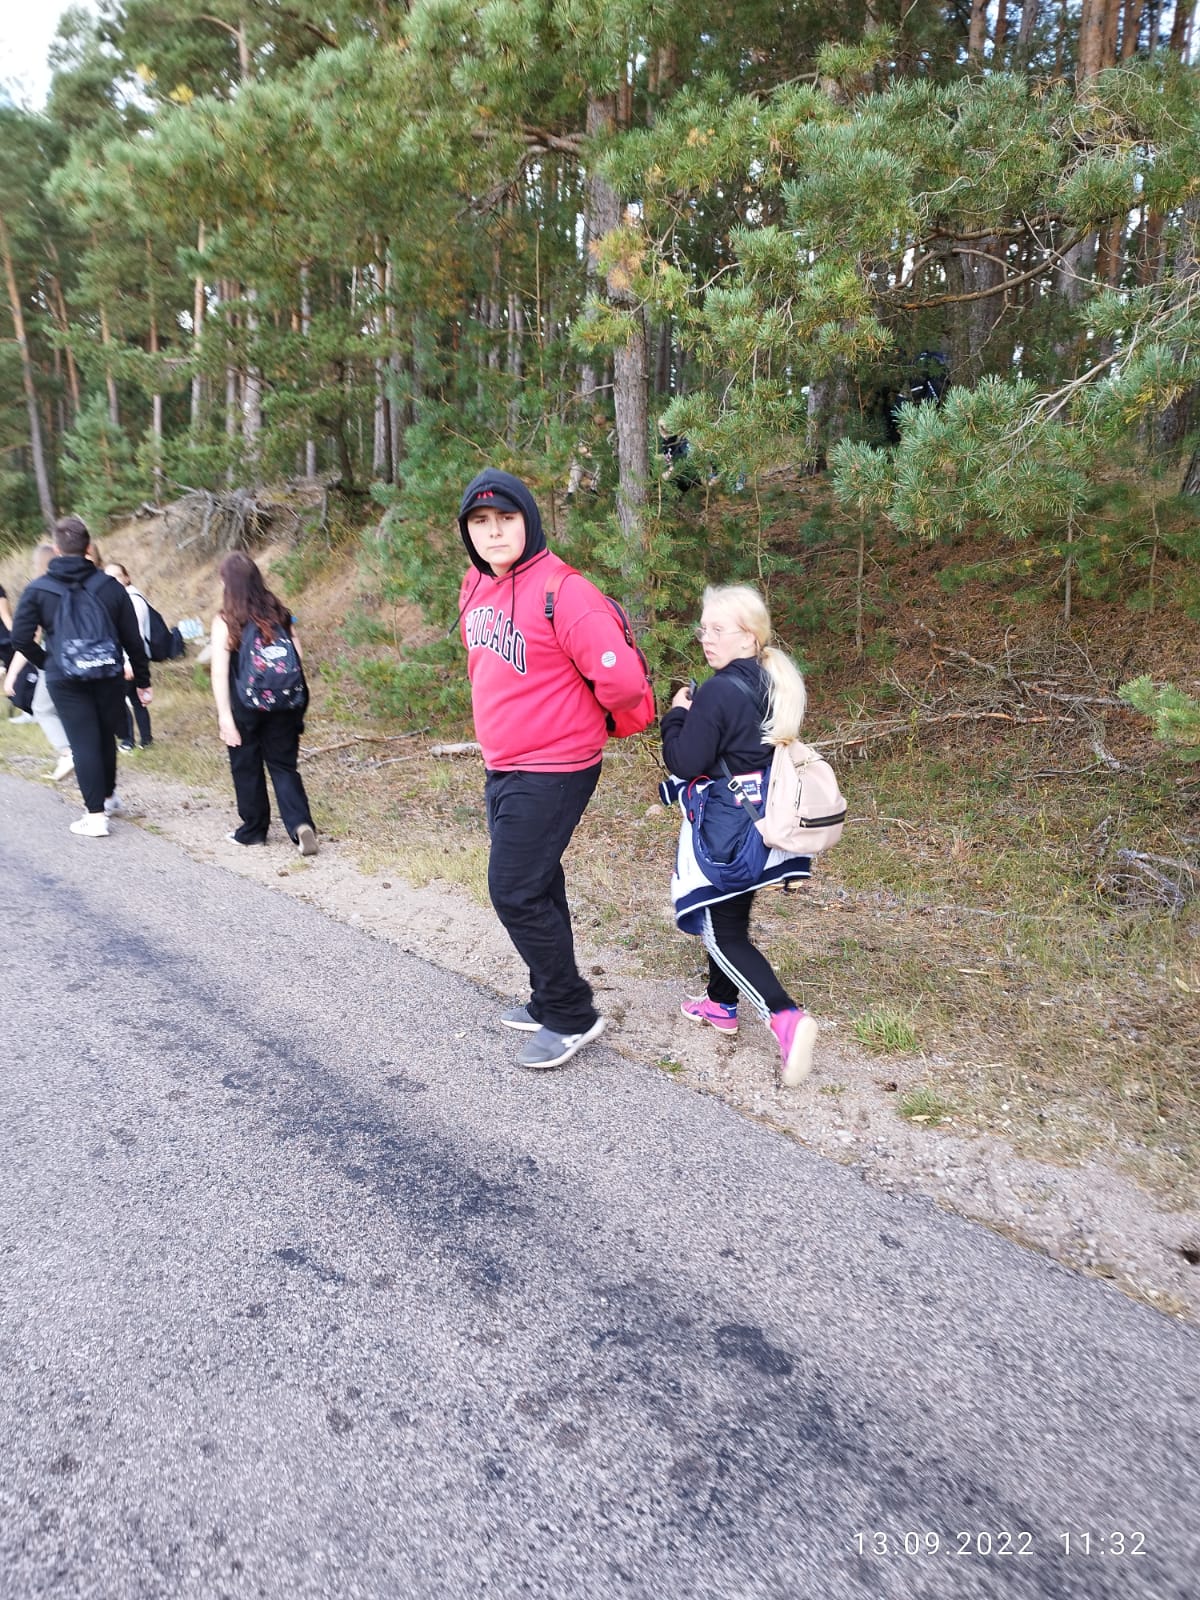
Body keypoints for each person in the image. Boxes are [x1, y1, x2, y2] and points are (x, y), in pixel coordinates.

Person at [457, 467, 648, 1070]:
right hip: (504, 763)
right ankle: (548, 994)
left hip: (555, 766)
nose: (493, 532)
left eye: (506, 518)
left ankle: (571, 1013)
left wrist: (582, 724)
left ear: (529, 521)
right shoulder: (475, 584)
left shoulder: (565, 592)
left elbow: (622, 682)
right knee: (537, 882)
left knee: (513, 889)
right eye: (480, 522)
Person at [661, 583, 818, 1086]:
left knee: (723, 932)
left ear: (749, 636)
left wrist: (677, 715)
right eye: (703, 629)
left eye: (718, 630)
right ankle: (720, 1003)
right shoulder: (773, 681)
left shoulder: (718, 691)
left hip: (725, 829)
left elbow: (685, 761)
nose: (707, 638)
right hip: (761, 821)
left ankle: (785, 1018)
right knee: (729, 911)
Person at [5, 515, 150, 837]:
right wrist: (143, 680)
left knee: (83, 741)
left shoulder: (38, 589)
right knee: (105, 736)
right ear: (88, 548)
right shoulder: (110, 586)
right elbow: (132, 639)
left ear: (57, 549)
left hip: (65, 677)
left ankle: (95, 816)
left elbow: (20, 639)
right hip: (108, 672)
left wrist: (48, 662)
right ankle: (109, 798)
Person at [209, 551, 317, 857]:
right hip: (285, 703)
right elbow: (298, 657)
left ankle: (254, 831)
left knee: (247, 766)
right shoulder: (280, 613)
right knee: (284, 766)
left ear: (227, 583)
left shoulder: (226, 619)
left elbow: (219, 672)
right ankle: (300, 825)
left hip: (246, 705)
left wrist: (225, 717)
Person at [3, 543, 74, 779]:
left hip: (57, 661)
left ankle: (67, 753)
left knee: (43, 708)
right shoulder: (80, 582)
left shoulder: (39, 590)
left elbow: (26, 639)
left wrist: (15, 672)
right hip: (90, 657)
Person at [105, 562, 154, 750]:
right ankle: (145, 739)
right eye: (109, 577)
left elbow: (135, 635)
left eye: (118, 575)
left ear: (127, 577)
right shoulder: (123, 598)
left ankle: (128, 740)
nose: (114, 580)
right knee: (135, 699)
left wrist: (128, 662)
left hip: (130, 659)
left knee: (121, 700)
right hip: (131, 658)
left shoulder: (132, 600)